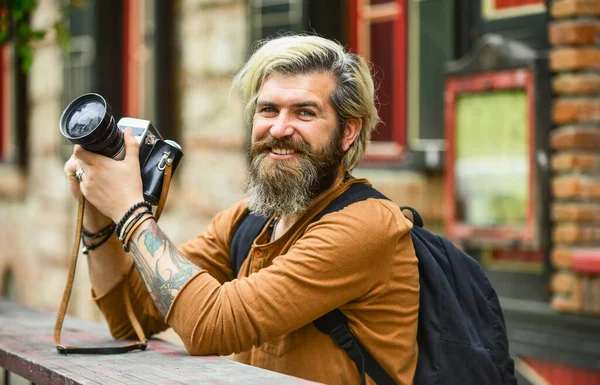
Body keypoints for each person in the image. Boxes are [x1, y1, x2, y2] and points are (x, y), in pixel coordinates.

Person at [63, 35, 419, 385]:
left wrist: (130, 211)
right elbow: (131, 318)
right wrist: (95, 205)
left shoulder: (365, 227)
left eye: (305, 112)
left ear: (348, 132)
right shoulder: (249, 221)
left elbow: (212, 326)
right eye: (268, 110)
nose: (279, 128)